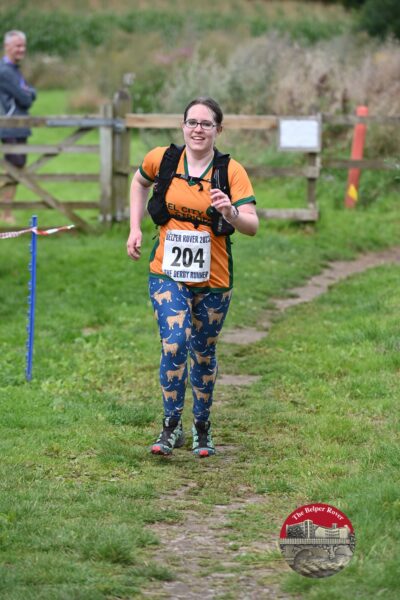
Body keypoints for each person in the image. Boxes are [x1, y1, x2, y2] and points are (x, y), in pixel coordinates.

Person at [127, 97, 259, 458]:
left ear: (219, 129)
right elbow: (139, 183)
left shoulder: (231, 172)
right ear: (182, 125)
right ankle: (170, 427)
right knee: (174, 343)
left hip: (215, 277)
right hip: (167, 271)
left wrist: (231, 211)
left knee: (203, 352)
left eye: (206, 123)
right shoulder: (164, 160)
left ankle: (202, 426)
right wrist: (135, 228)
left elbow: (252, 225)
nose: (198, 129)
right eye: (192, 122)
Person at [0, 30, 36, 224]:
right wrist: (28, 93)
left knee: (15, 169)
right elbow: (25, 97)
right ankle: (6, 213)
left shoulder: (15, 69)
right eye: (17, 46)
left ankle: (6, 213)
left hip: (19, 126)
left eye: (23, 45)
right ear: (7, 47)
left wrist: (29, 92)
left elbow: (31, 92)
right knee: (13, 169)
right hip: (10, 126)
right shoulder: (5, 71)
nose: (21, 49)